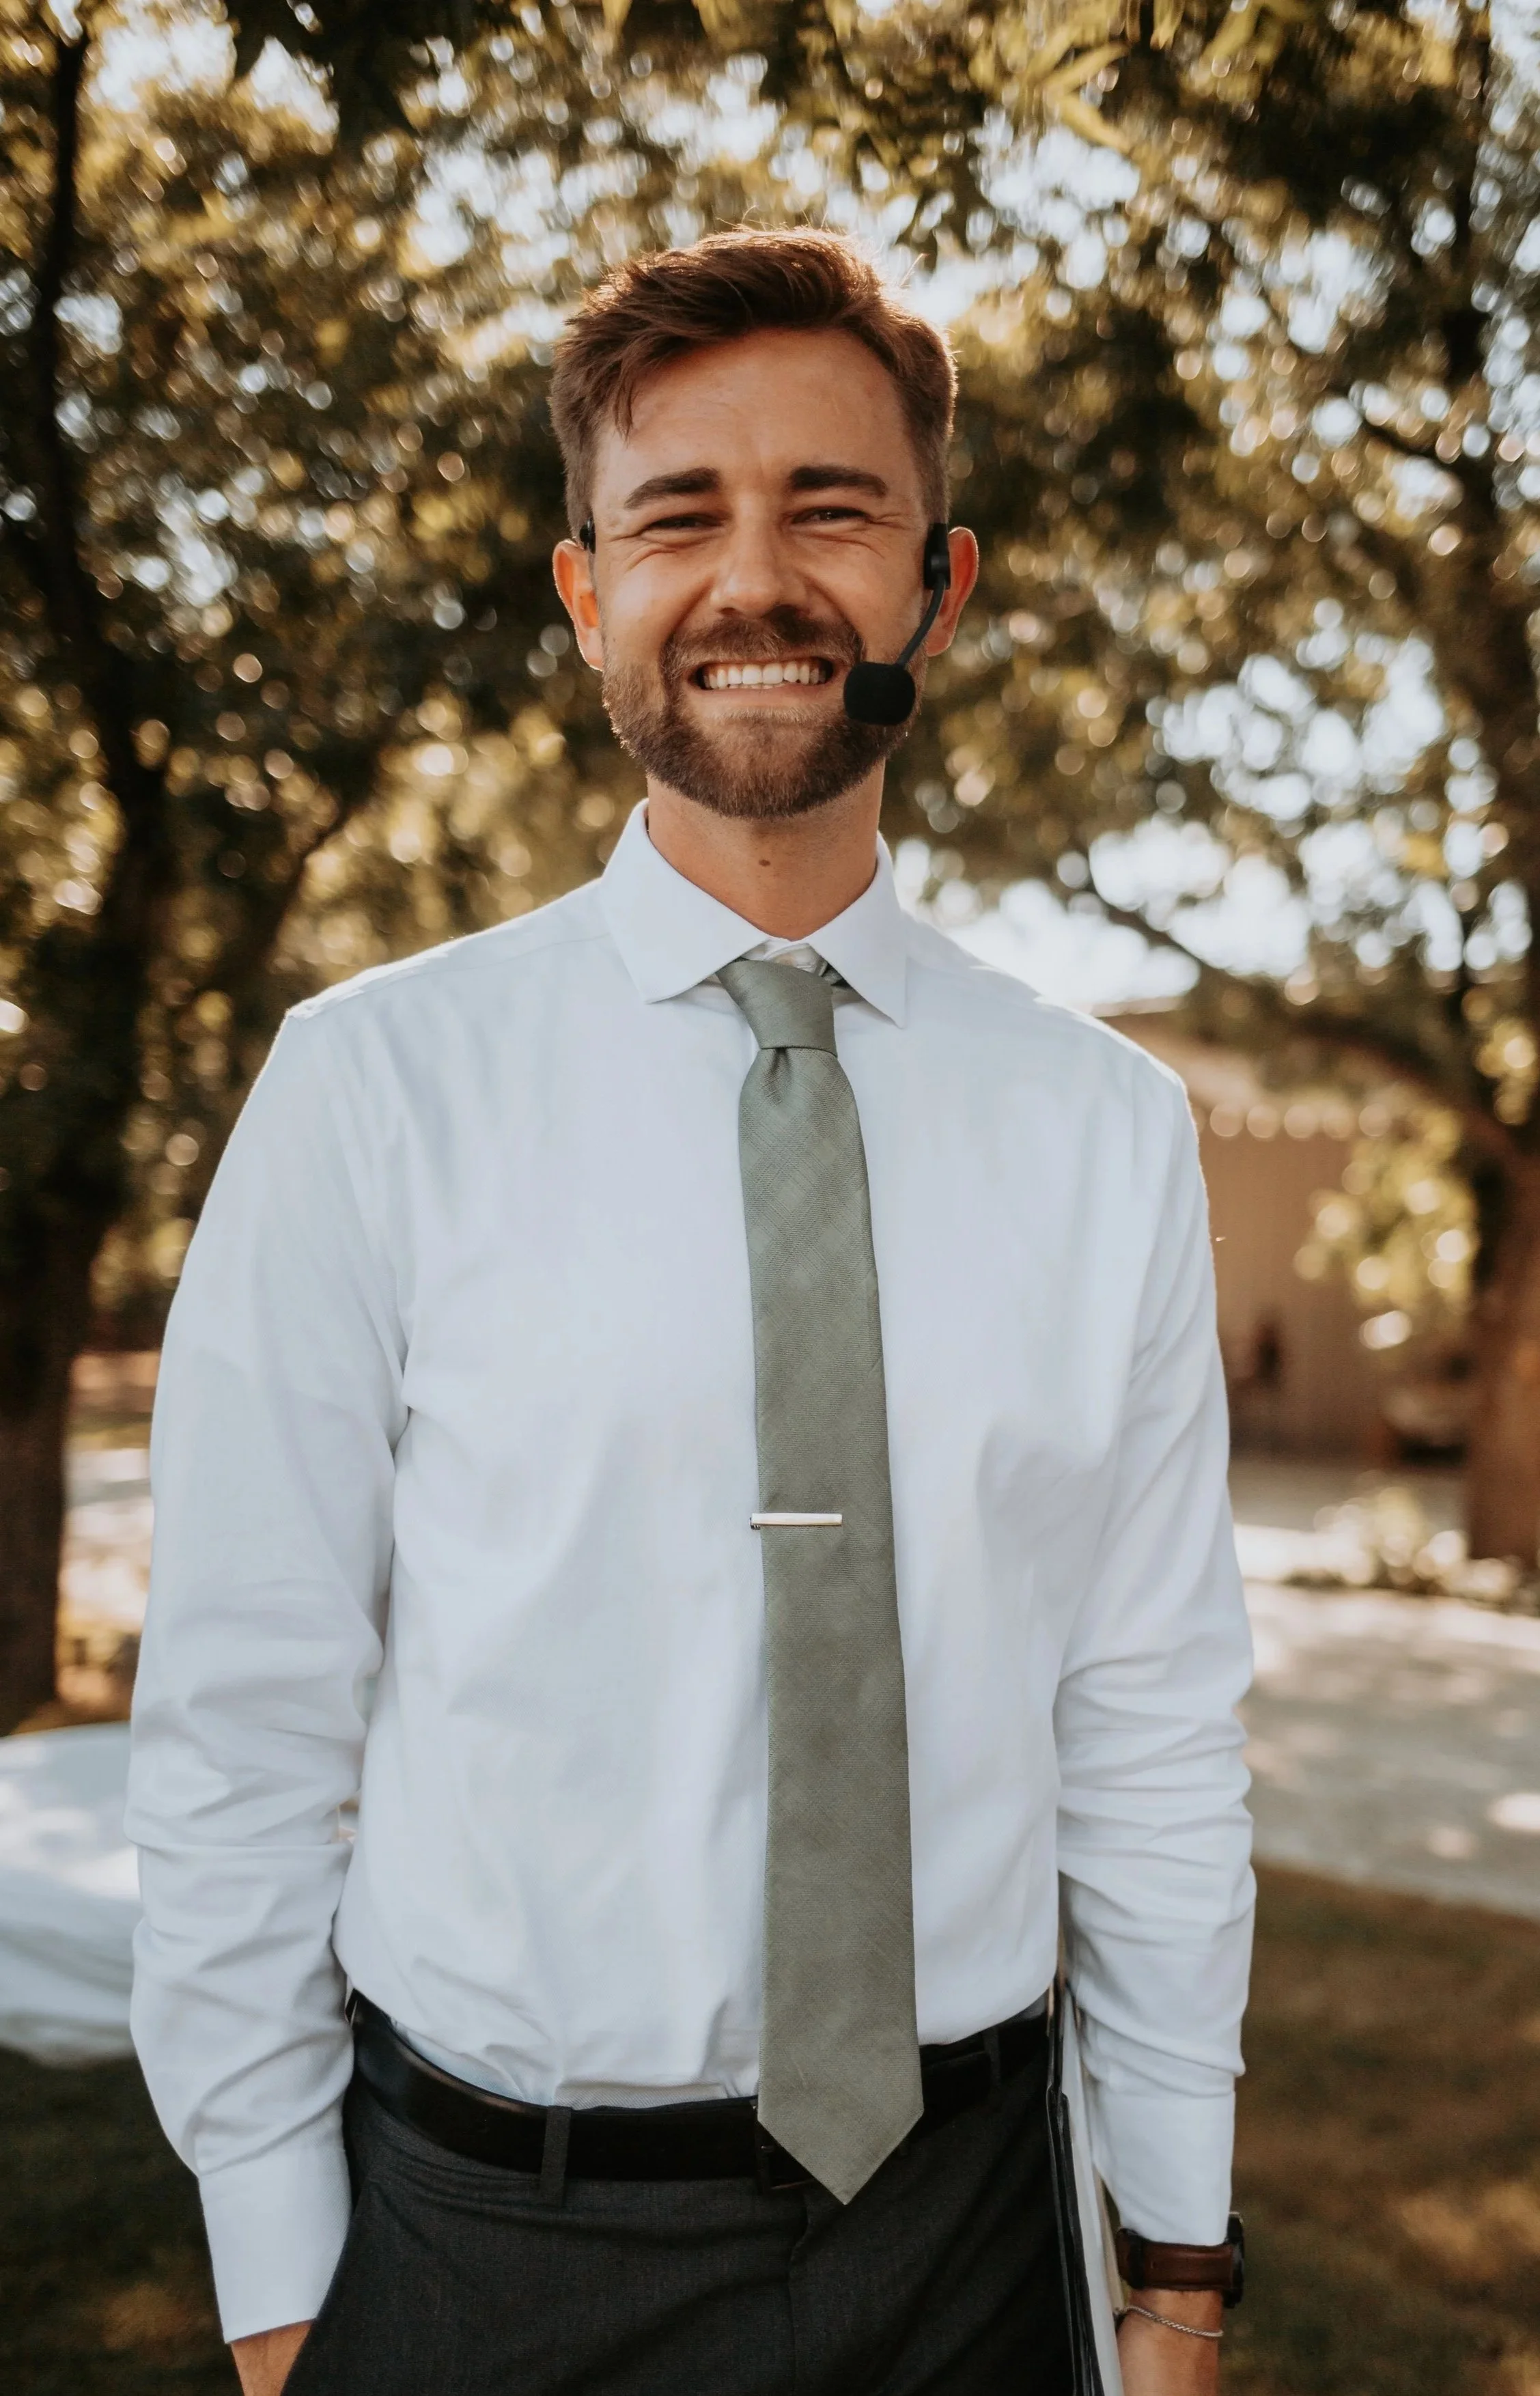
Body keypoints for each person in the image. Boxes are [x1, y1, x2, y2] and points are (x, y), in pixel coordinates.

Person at [128, 228, 1254, 2396]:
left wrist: (1179, 2264)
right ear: (587, 593)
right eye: (677, 516)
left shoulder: (1105, 1130)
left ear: (938, 584)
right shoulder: (370, 1090)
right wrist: (279, 2294)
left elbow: (1149, 1729)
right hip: (492, 2254)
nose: (755, 580)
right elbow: (243, 1726)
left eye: (829, 508)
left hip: (972, 2247)